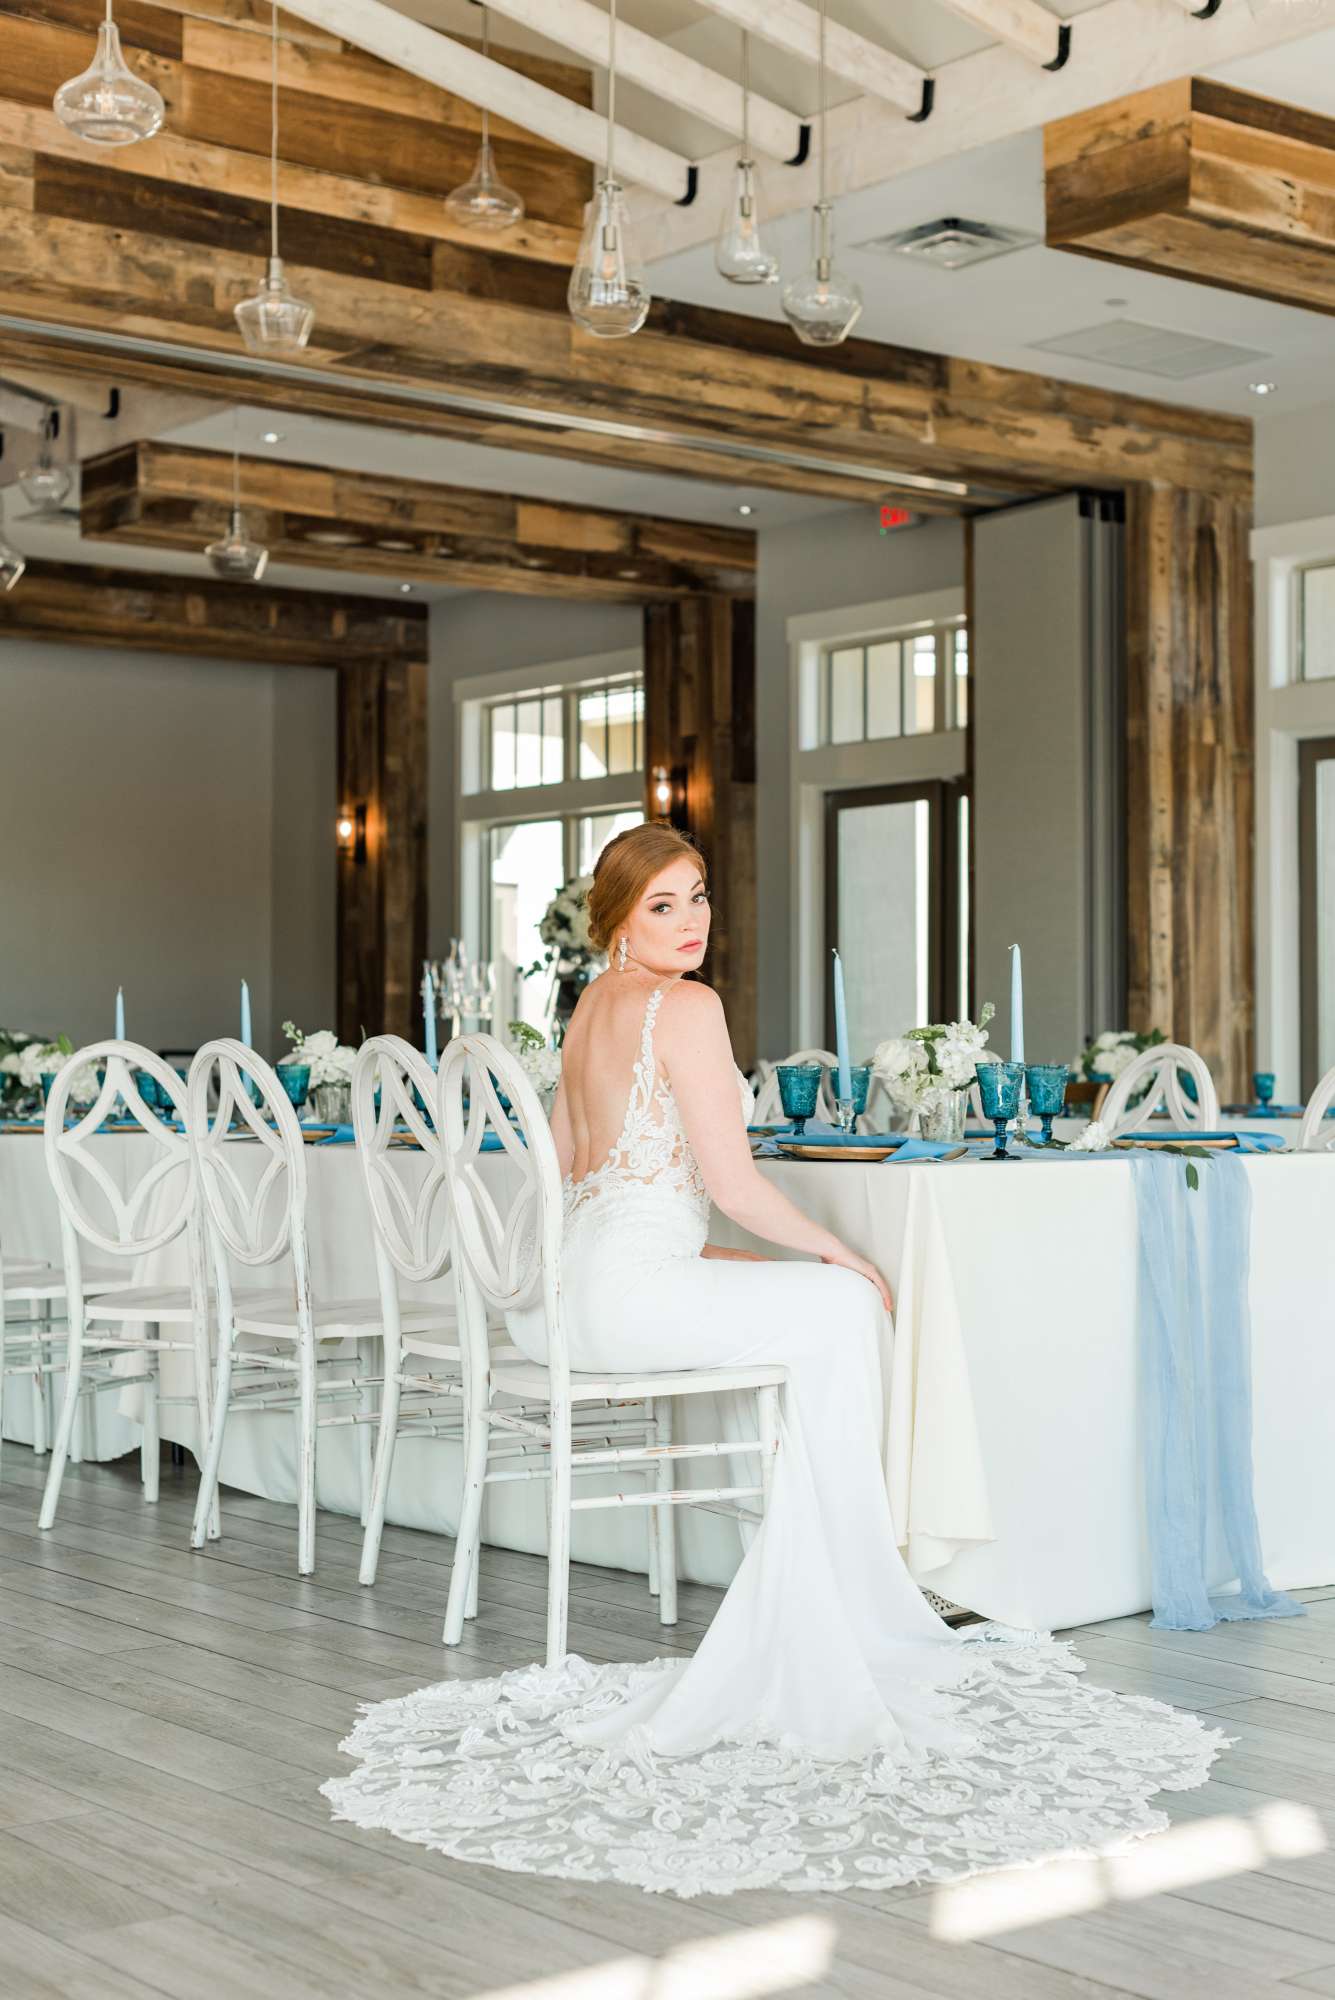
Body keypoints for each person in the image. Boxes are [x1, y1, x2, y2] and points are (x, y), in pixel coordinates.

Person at [324, 824, 1223, 1896]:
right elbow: (736, 1184)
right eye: (662, 904)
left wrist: (708, 1249)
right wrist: (844, 1251)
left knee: (817, 1312)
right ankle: (851, 1593)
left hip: (561, 1305)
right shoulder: (687, 1008)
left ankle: (839, 1581)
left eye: (697, 895)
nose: (692, 919)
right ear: (615, 916)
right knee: (847, 1312)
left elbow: (580, 1174)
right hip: (625, 1296)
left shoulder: (587, 1010)